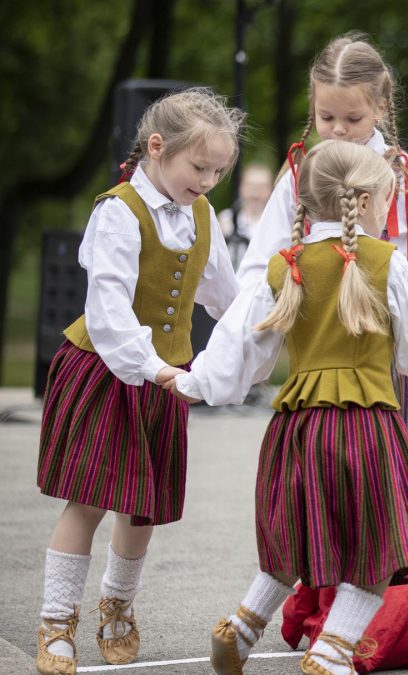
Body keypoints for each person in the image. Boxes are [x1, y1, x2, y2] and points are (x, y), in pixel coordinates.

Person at [168, 140, 408, 675]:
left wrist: (195, 383)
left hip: (297, 428)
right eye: (387, 200)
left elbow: (239, 350)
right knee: (377, 546)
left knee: (297, 536)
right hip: (367, 427)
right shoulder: (387, 265)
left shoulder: (285, 268)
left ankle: (242, 627)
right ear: (366, 202)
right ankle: (332, 649)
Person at [238, 32, 408, 490]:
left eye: (353, 118)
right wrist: (242, 338)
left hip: (402, 351)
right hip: (326, 350)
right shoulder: (301, 176)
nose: (338, 130)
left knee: (404, 487)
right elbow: (258, 265)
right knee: (331, 479)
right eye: (326, 117)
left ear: (381, 108)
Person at [33, 88, 242, 674]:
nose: (208, 181)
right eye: (199, 167)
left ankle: (118, 605)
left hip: (166, 378)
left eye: (219, 171)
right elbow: (109, 312)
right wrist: (155, 368)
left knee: (142, 509)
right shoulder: (118, 212)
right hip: (108, 370)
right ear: (157, 147)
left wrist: (265, 336)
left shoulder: (202, 214)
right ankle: (56, 620)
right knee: (89, 501)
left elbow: (227, 299)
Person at [218, 164, 274, 269]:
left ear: (271, 190)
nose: (256, 193)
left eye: (262, 187)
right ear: (241, 187)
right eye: (251, 186)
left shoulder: (275, 223)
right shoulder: (226, 219)